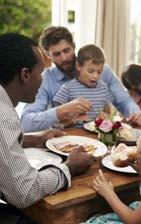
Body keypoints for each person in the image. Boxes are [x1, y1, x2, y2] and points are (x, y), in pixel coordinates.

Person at [0, 33, 93, 223]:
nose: (42, 79)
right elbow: (25, 191)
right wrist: (69, 168)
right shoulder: (4, 116)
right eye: (40, 72)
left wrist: (37, 139)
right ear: (25, 74)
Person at [21, 26, 141, 132]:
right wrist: (61, 111)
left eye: (66, 50)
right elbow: (26, 122)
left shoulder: (102, 71)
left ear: (74, 46)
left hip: (100, 137)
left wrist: (136, 113)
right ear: (48, 55)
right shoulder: (46, 80)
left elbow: (123, 100)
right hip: (65, 141)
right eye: (57, 54)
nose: (64, 58)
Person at [53, 44, 113, 124]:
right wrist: (73, 120)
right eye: (91, 71)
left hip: (95, 134)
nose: (95, 76)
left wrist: (105, 117)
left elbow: (107, 112)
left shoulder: (103, 88)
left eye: (99, 72)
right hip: (74, 133)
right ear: (78, 66)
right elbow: (57, 121)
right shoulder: (68, 88)